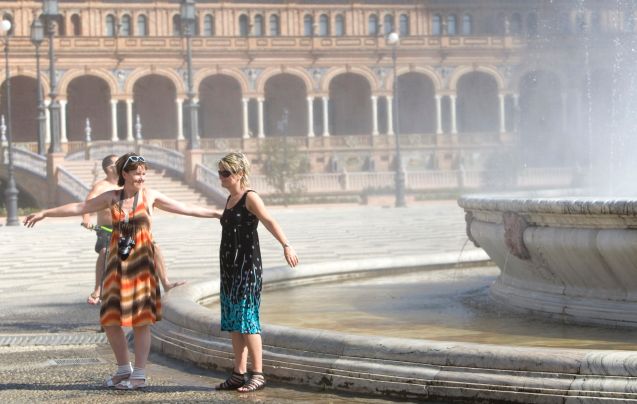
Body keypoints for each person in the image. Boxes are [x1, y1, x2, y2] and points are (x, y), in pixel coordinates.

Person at [24, 152, 221, 390]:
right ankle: (123, 368)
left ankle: (139, 373)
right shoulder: (112, 197)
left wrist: (218, 213)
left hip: (141, 267)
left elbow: (185, 208)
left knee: (141, 321)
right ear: (124, 174)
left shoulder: (150, 197)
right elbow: (80, 206)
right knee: (109, 319)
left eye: (143, 173)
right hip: (117, 265)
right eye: (137, 173)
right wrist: (46, 213)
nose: (141, 177)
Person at [214, 152, 299, 393]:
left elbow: (270, 221)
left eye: (225, 173)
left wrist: (286, 245)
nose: (221, 177)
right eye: (220, 172)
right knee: (233, 321)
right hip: (229, 267)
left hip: (247, 268)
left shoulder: (250, 197)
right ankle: (238, 374)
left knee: (248, 320)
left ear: (239, 174)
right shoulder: (230, 198)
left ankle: (258, 374)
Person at [82, 155, 185, 305]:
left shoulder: (126, 184)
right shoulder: (101, 187)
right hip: (107, 228)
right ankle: (98, 289)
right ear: (110, 169)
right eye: (117, 163)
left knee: (154, 246)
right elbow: (87, 204)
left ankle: (166, 283)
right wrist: (86, 219)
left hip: (129, 228)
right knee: (105, 251)